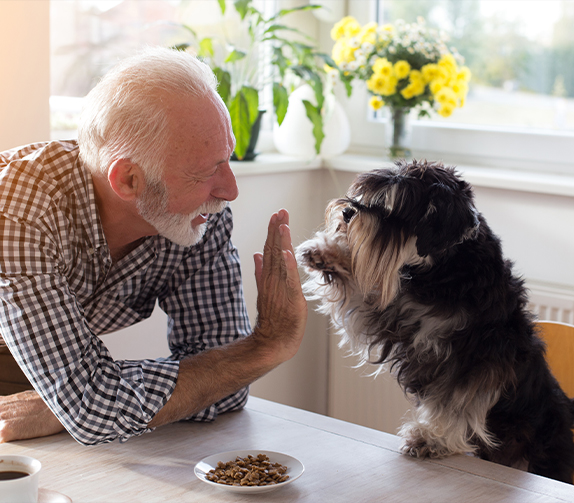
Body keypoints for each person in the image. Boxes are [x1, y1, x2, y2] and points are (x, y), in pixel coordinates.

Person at [0, 47, 307, 445]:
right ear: (128, 180)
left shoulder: (198, 216)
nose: (230, 190)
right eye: (206, 170)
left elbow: (228, 383)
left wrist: (85, 401)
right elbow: (95, 410)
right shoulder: (17, 210)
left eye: (227, 158)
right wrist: (269, 344)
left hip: (43, 358)